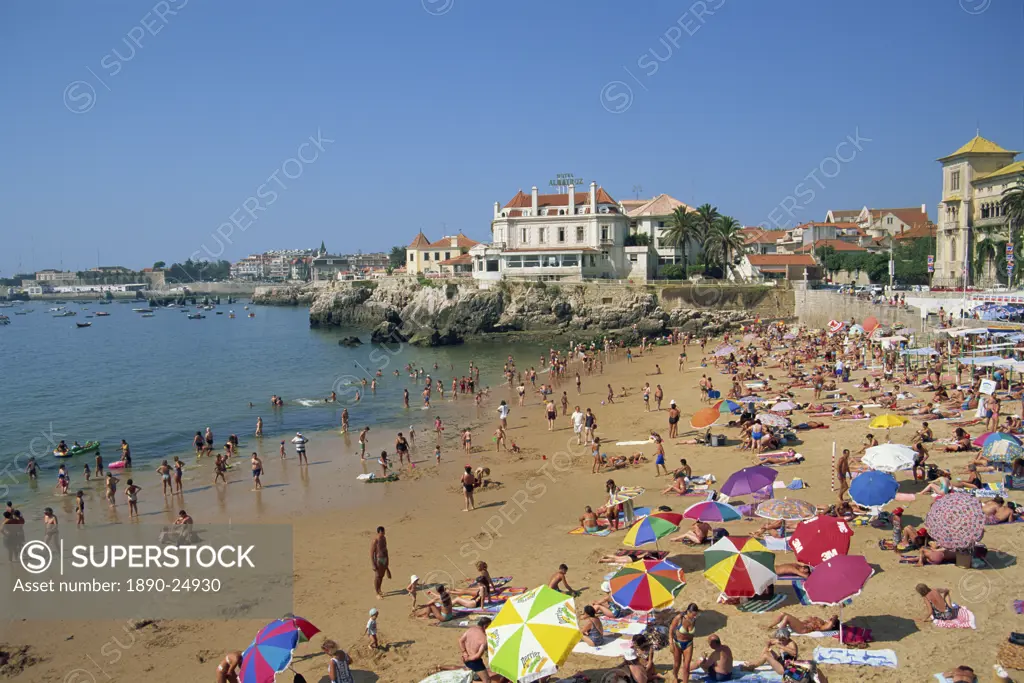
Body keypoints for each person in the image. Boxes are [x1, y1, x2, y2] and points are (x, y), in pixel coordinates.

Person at [669, 603, 699, 682]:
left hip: (689, 643)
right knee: (677, 664)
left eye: (696, 614)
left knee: (686, 666)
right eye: (693, 614)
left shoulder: (694, 619)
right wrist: (671, 643)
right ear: (688, 611)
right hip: (677, 643)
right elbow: (671, 629)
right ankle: (675, 677)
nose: (695, 616)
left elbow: (691, 632)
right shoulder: (679, 618)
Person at [459, 617, 492, 682]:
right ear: (485, 626)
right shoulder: (484, 639)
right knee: (487, 680)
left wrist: (464, 652)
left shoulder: (470, 629)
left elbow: (461, 640)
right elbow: (478, 656)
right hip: (474, 661)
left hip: (465, 658)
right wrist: (469, 658)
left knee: (469, 678)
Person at [767, 613, 840, 634]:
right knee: (782, 614)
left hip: (802, 628)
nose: (830, 619)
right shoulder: (824, 622)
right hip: (801, 624)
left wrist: (835, 617)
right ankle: (770, 626)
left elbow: (829, 626)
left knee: (786, 618)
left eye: (831, 620)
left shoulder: (824, 626)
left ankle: (779, 633)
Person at [371, 526, 390, 599]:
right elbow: (372, 554)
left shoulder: (384, 539)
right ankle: (377, 593)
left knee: (381, 576)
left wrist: (387, 561)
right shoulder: (375, 541)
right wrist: (373, 564)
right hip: (378, 559)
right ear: (379, 532)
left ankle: (379, 590)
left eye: (384, 532)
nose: (383, 533)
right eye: (382, 532)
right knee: (377, 576)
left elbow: (386, 549)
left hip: (384, 559)